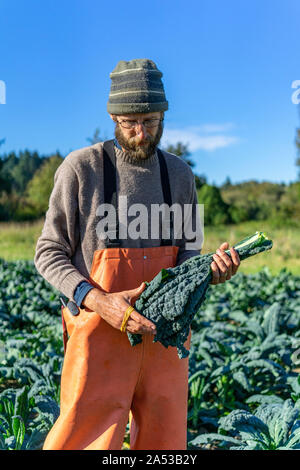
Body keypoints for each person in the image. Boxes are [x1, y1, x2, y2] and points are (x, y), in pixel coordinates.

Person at [34, 58, 240, 450]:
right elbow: (48, 252)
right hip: (100, 334)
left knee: (166, 445)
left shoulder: (181, 175)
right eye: (130, 122)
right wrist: (100, 301)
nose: (141, 134)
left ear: (163, 114)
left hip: (165, 339)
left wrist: (207, 273)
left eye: (150, 121)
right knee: (82, 440)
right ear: (113, 115)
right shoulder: (81, 170)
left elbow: (188, 253)